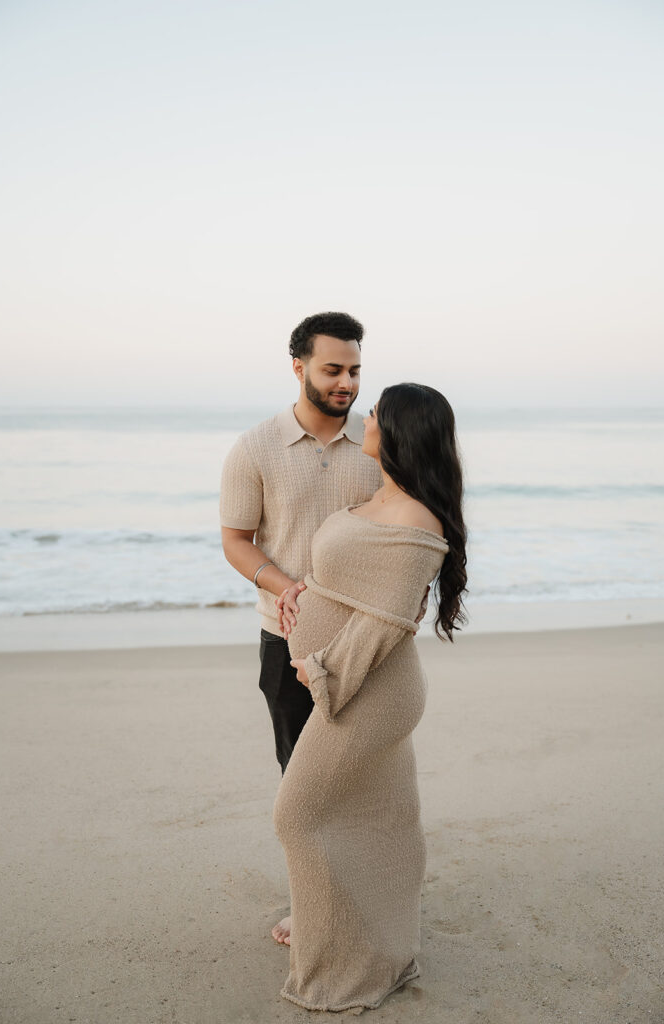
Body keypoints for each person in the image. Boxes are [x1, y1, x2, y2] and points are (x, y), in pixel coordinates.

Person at [273, 382, 467, 1012]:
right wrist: (298, 589)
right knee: (381, 819)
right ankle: (362, 936)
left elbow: (386, 623)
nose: (366, 417)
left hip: (370, 689)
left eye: (376, 412)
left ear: (399, 430)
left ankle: (343, 960)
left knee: (298, 814)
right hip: (346, 679)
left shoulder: (417, 518)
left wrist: (323, 670)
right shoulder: (380, 494)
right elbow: (356, 579)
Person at [219, 311, 382, 944]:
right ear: (298, 367)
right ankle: (313, 901)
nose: (346, 383)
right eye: (333, 369)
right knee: (303, 781)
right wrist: (285, 588)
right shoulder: (256, 446)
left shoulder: (377, 441)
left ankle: (369, 893)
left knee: (364, 775)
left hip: (364, 640)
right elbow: (236, 541)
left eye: (355, 370)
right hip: (283, 639)